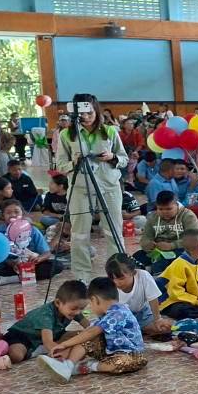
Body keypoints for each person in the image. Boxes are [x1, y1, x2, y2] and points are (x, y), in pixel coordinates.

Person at [53, 93, 127, 281]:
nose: (86, 117)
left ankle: (117, 274)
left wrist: (112, 157)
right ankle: (82, 277)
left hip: (109, 187)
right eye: (81, 114)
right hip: (80, 189)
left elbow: (124, 158)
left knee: (113, 231)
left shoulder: (110, 131)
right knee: (79, 234)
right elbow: (60, 165)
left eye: (90, 113)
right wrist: (74, 163)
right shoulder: (66, 135)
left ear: (96, 111)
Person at [39, 276, 148, 381]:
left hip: (132, 354)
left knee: (124, 362)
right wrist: (67, 349)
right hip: (110, 352)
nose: (91, 307)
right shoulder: (105, 315)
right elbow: (87, 333)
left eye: (90, 304)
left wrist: (64, 344)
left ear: (94, 299)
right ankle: (67, 364)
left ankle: (87, 366)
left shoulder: (119, 313)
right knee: (85, 336)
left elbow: (92, 332)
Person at [5, 280, 90, 364]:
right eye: (74, 308)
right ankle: (36, 351)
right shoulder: (45, 314)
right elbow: (48, 342)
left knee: (81, 334)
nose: (78, 312)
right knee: (17, 356)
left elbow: (90, 327)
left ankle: (42, 349)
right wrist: (63, 354)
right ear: (58, 303)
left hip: (51, 335)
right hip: (23, 336)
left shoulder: (73, 310)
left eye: (82, 309)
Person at [106, 252, 171, 338]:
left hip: (143, 314)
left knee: (164, 328)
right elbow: (109, 313)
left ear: (133, 272)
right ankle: (137, 330)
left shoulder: (143, 276)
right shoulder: (108, 286)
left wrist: (158, 319)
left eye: (121, 278)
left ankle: (138, 330)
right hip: (121, 318)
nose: (116, 282)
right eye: (112, 278)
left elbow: (153, 299)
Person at [136, 191, 198, 273]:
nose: (164, 212)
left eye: (169, 209)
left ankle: (159, 278)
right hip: (159, 250)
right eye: (160, 209)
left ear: (176, 205)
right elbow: (145, 238)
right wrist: (148, 244)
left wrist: (171, 245)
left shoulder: (188, 216)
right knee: (135, 259)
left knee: (161, 263)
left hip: (181, 249)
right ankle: (144, 277)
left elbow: (194, 239)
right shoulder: (153, 217)